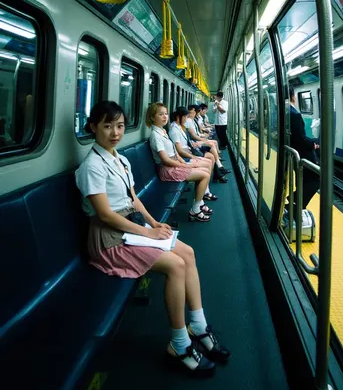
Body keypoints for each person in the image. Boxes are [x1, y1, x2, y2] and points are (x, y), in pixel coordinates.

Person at [75, 100, 229, 375]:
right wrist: (148, 232)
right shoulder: (91, 167)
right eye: (107, 126)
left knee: (188, 253)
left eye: (119, 126)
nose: (115, 133)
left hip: (130, 228)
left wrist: (155, 222)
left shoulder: (119, 159)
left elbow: (133, 200)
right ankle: (179, 345)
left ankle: (199, 325)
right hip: (109, 240)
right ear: (92, 128)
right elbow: (106, 216)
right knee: (175, 265)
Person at [147, 102, 213, 223]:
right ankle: (195, 210)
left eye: (166, 114)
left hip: (174, 165)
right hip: (167, 170)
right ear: (152, 117)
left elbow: (174, 152)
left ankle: (199, 203)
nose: (164, 117)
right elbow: (165, 160)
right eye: (160, 114)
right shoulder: (155, 135)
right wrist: (184, 165)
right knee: (205, 175)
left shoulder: (163, 131)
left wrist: (185, 162)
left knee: (204, 170)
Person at [169, 107, 218, 201]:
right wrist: (193, 156)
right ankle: (205, 192)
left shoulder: (179, 127)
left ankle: (205, 190)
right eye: (185, 117)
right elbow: (179, 150)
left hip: (188, 151)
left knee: (209, 161)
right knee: (208, 162)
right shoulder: (174, 130)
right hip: (185, 155)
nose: (187, 119)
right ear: (179, 117)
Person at [288, 85, 320, 210]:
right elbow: (300, 138)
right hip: (300, 152)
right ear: (292, 96)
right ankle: (297, 204)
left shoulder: (283, 111)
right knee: (316, 178)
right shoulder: (294, 114)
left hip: (294, 149)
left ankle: (295, 200)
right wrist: (313, 144)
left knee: (304, 178)